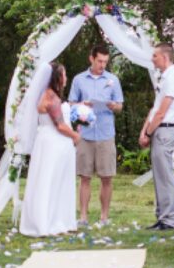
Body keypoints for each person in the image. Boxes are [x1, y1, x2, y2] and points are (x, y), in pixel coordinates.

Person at [20, 62, 80, 237]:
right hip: (54, 143)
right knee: (51, 181)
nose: (66, 78)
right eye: (64, 74)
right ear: (57, 77)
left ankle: (53, 219)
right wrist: (75, 136)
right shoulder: (51, 97)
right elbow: (60, 125)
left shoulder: (47, 95)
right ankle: (46, 222)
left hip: (48, 142)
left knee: (49, 180)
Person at [68, 43, 124, 227]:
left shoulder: (113, 80)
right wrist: (82, 105)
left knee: (107, 177)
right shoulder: (78, 79)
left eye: (105, 62)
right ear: (91, 58)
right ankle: (83, 217)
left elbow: (120, 106)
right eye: (99, 61)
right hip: (85, 134)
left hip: (106, 133)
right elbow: (70, 105)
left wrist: (112, 105)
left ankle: (104, 217)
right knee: (84, 177)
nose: (102, 65)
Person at [139, 43, 174, 231]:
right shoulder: (165, 77)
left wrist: (148, 133)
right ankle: (162, 216)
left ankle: (169, 219)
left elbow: (162, 112)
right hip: (158, 129)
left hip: (165, 130)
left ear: (165, 58)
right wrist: (145, 130)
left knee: (165, 175)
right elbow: (155, 108)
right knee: (159, 174)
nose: (152, 59)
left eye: (155, 56)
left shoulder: (173, 78)